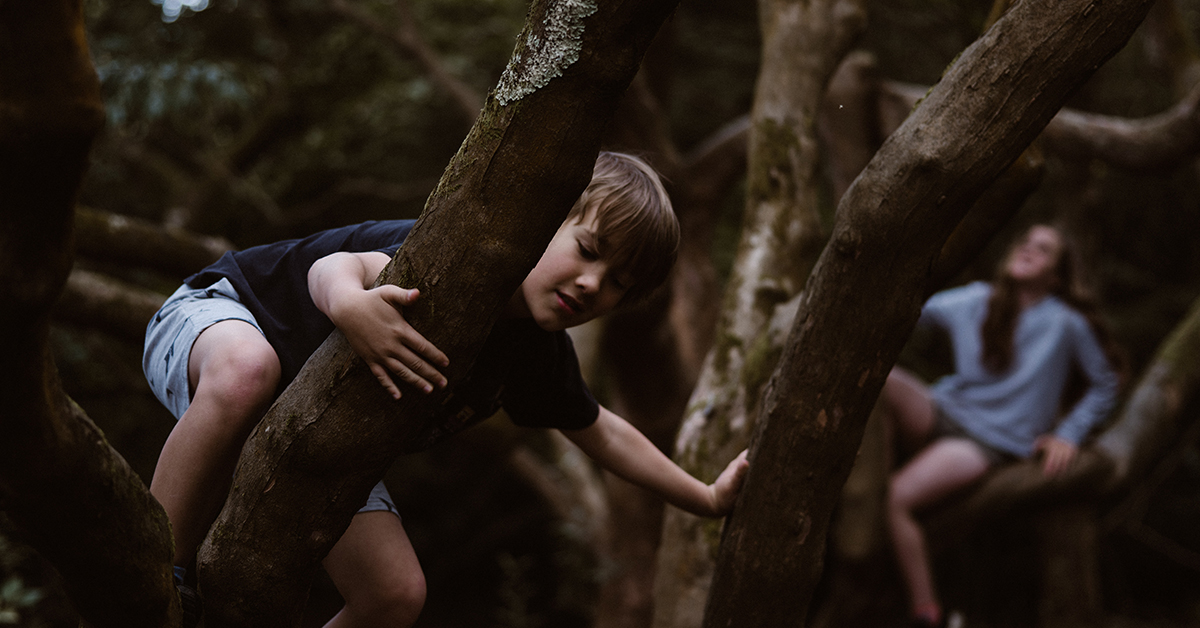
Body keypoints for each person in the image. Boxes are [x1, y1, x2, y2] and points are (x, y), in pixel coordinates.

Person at [143, 151, 750, 628]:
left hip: (315, 431)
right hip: (218, 320)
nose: (592, 284)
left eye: (617, 283)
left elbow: (602, 431)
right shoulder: (459, 259)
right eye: (588, 251)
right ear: (543, 220)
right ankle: (151, 567)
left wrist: (705, 498)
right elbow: (334, 268)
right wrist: (352, 307)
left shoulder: (535, 354)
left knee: (395, 594)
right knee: (249, 371)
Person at [878, 224, 1122, 628]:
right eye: (1024, 242)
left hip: (985, 441)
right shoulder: (976, 298)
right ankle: (866, 484)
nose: (1027, 250)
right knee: (880, 381)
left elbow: (1106, 382)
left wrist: (1069, 434)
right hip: (942, 409)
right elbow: (906, 309)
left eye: (1042, 250)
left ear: (1056, 276)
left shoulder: (1066, 324)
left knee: (895, 501)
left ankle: (927, 613)